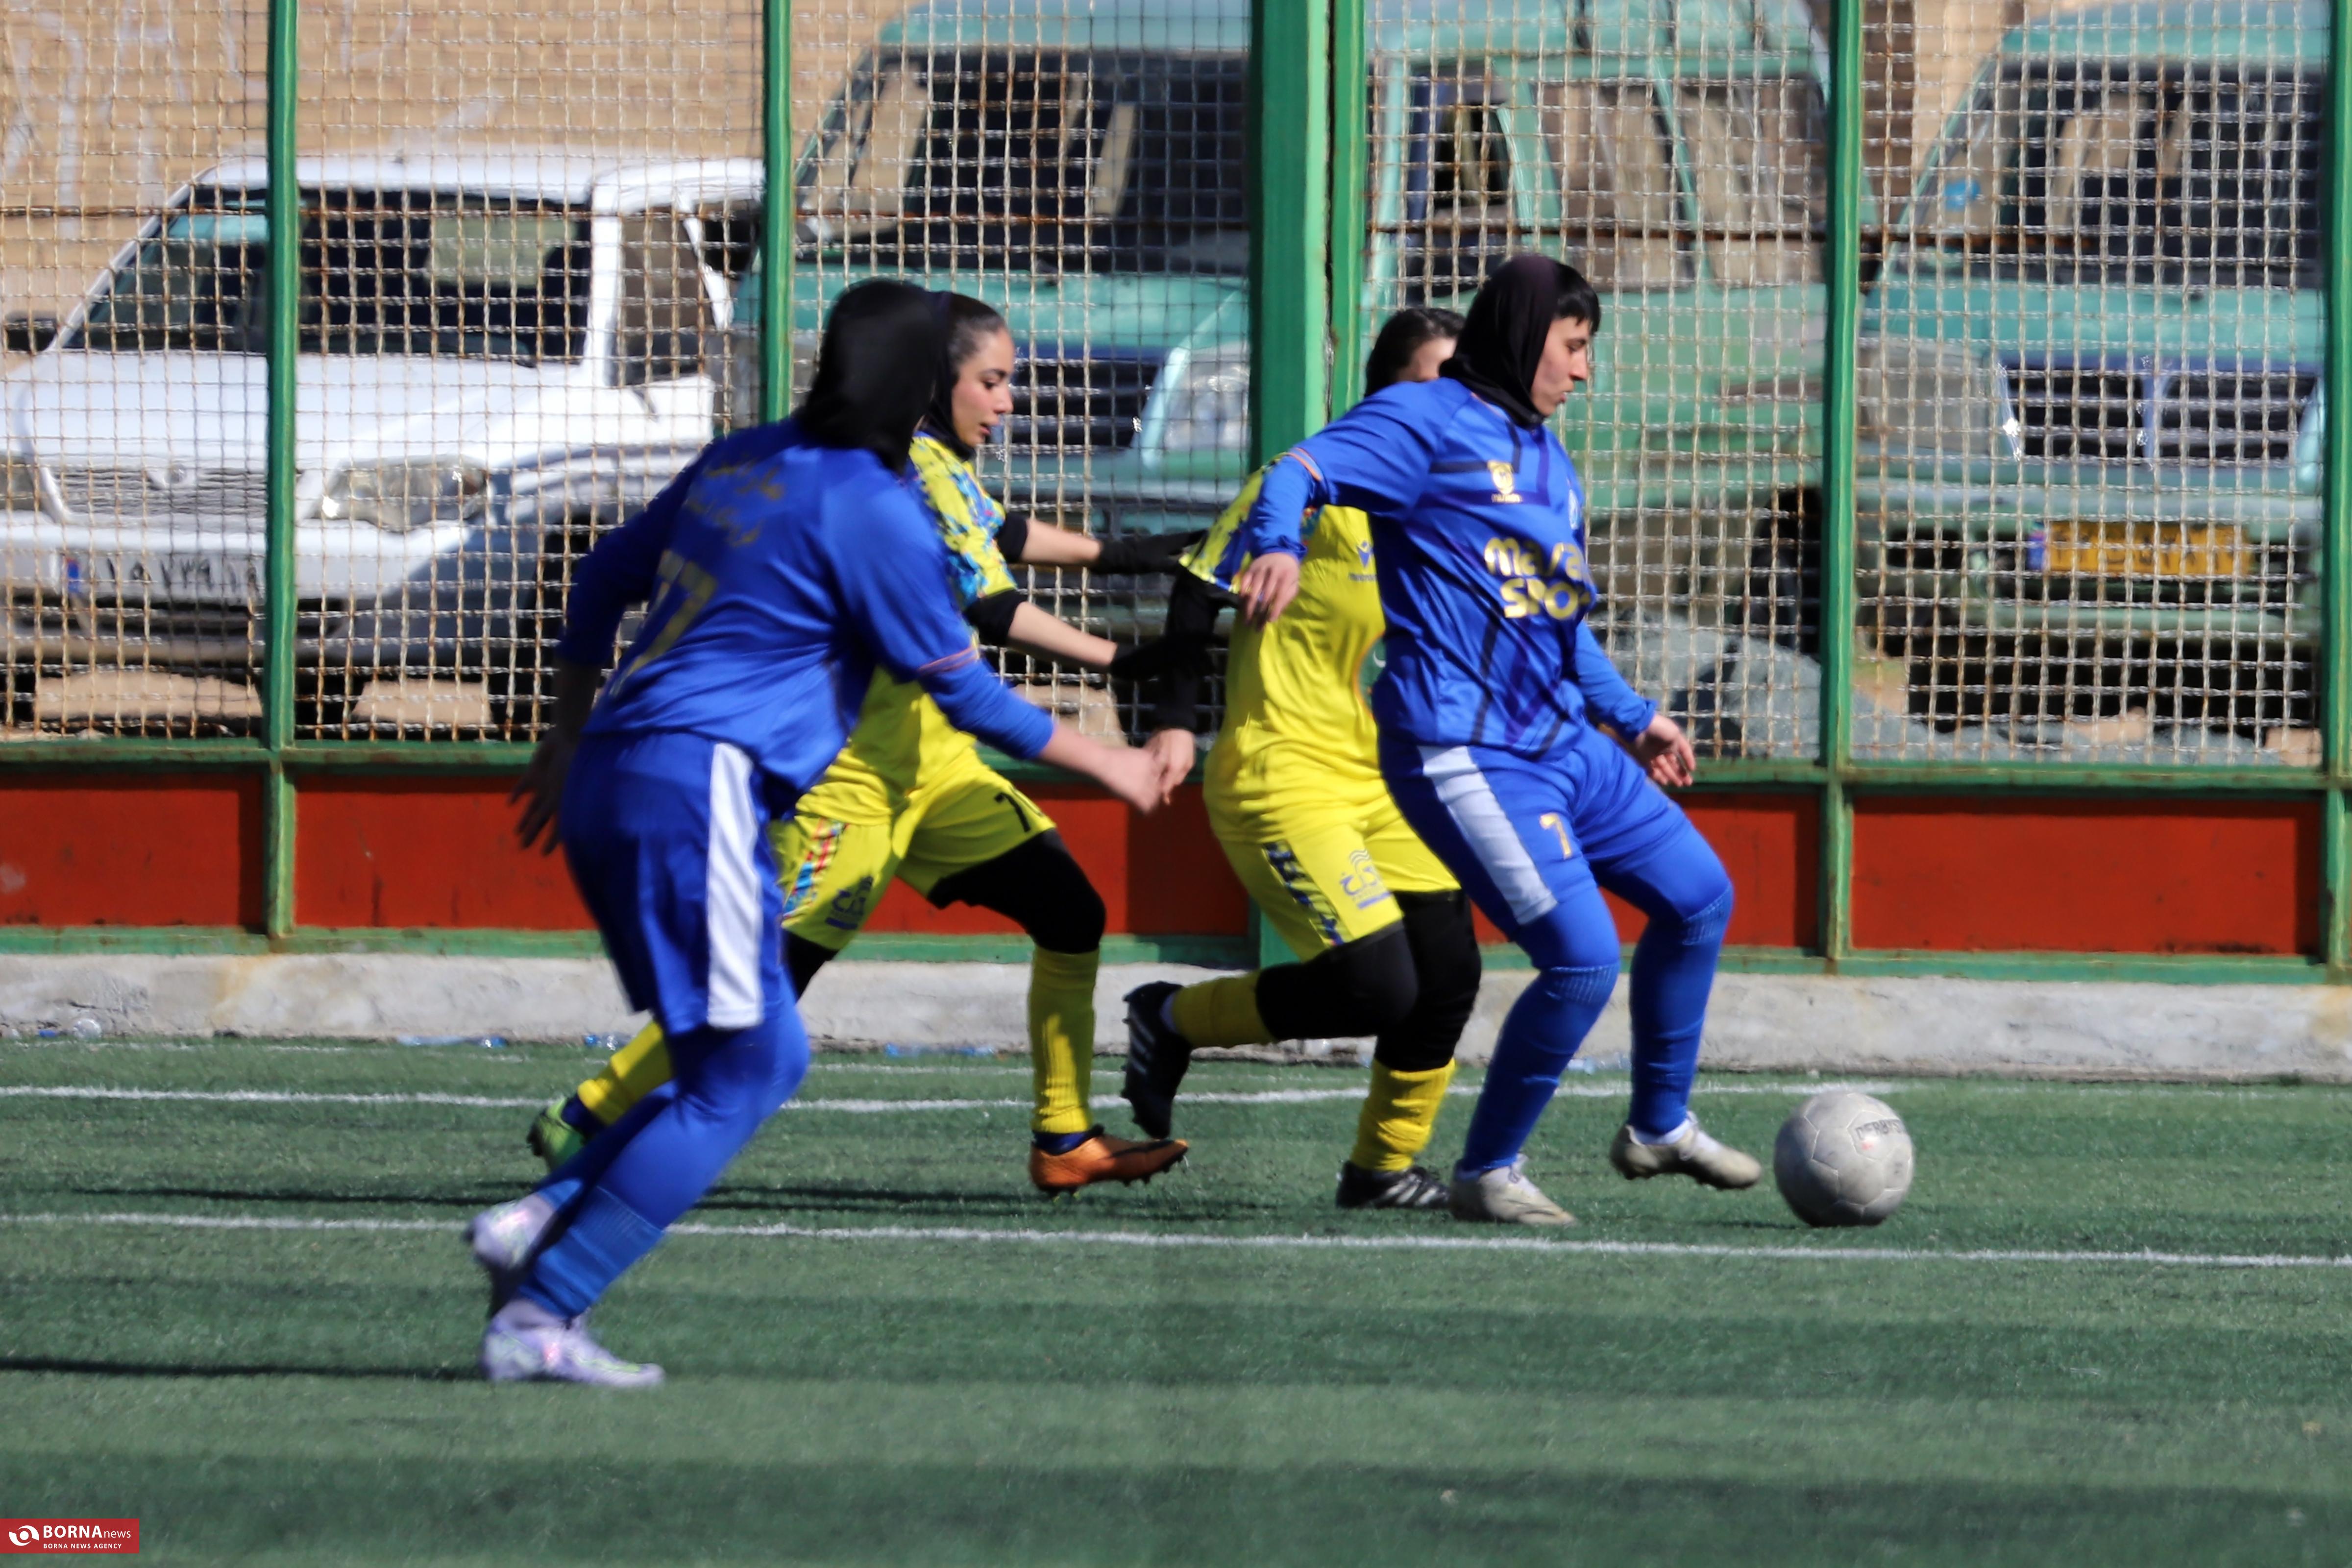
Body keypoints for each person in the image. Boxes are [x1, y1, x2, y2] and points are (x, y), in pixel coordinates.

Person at [473, 281, 1163, 1385]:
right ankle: (542, 1301)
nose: (1005, 396)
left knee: (725, 1055)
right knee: (756, 1064)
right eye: (988, 377)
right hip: (700, 785)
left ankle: (542, 1215)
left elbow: (602, 575)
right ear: (920, 383)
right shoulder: (874, 501)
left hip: (614, 771)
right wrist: (1114, 761)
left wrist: (560, 740)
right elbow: (969, 691)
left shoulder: (744, 455)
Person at [1227, 256, 1763, 1227]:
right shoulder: (1426, 419)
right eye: (1574, 347)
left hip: (1562, 739)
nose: (1584, 372)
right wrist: (1276, 542)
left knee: (1700, 896)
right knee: (1584, 959)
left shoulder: (1549, 457)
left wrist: (1635, 716)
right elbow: (1298, 470)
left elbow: (1556, 621)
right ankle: (1488, 1168)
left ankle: (1659, 1122)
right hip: (1464, 748)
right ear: (1524, 338)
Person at [1120, 308, 1481, 1211]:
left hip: (1389, 782)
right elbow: (1200, 591)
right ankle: (1170, 1016)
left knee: (1448, 978)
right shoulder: (1309, 482)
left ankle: (1380, 1170)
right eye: (1436, 381)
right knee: (1377, 987)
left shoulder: (1454, 503)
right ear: (1386, 393)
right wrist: (1173, 721)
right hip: (1284, 773)